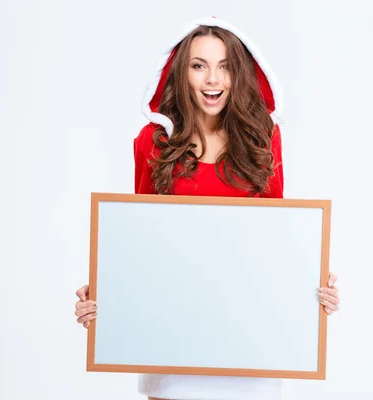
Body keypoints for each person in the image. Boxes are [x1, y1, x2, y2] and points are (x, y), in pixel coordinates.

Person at [74, 16, 341, 400]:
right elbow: (140, 240)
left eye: (225, 67)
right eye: (199, 66)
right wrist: (106, 296)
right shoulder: (154, 141)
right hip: (172, 343)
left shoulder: (264, 140)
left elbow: (276, 240)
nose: (212, 80)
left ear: (240, 75)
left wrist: (312, 287)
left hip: (250, 345)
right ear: (181, 73)